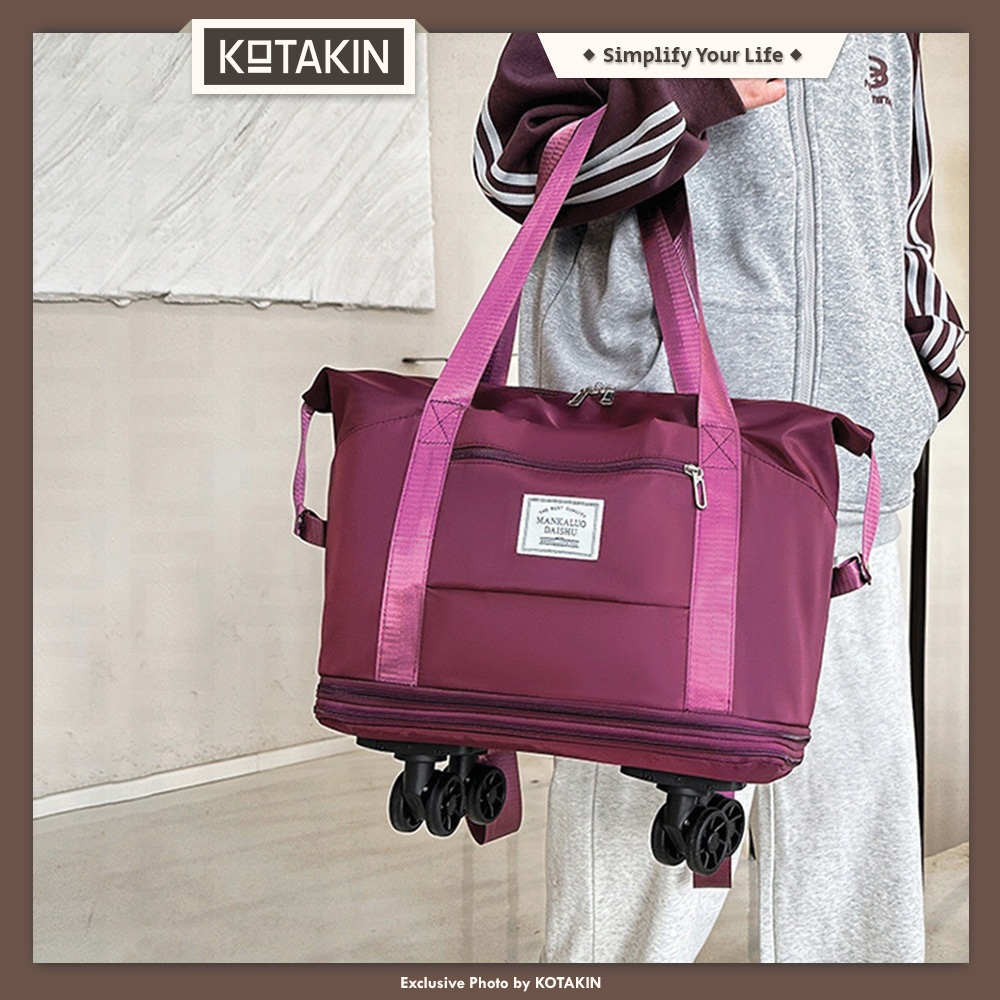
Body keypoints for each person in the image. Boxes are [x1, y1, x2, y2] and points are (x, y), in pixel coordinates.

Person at [474, 32, 966, 963]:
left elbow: (902, 215)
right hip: (658, 477)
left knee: (852, 827)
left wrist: (920, 371)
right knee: (637, 844)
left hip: (844, 475)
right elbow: (515, 166)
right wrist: (693, 89)